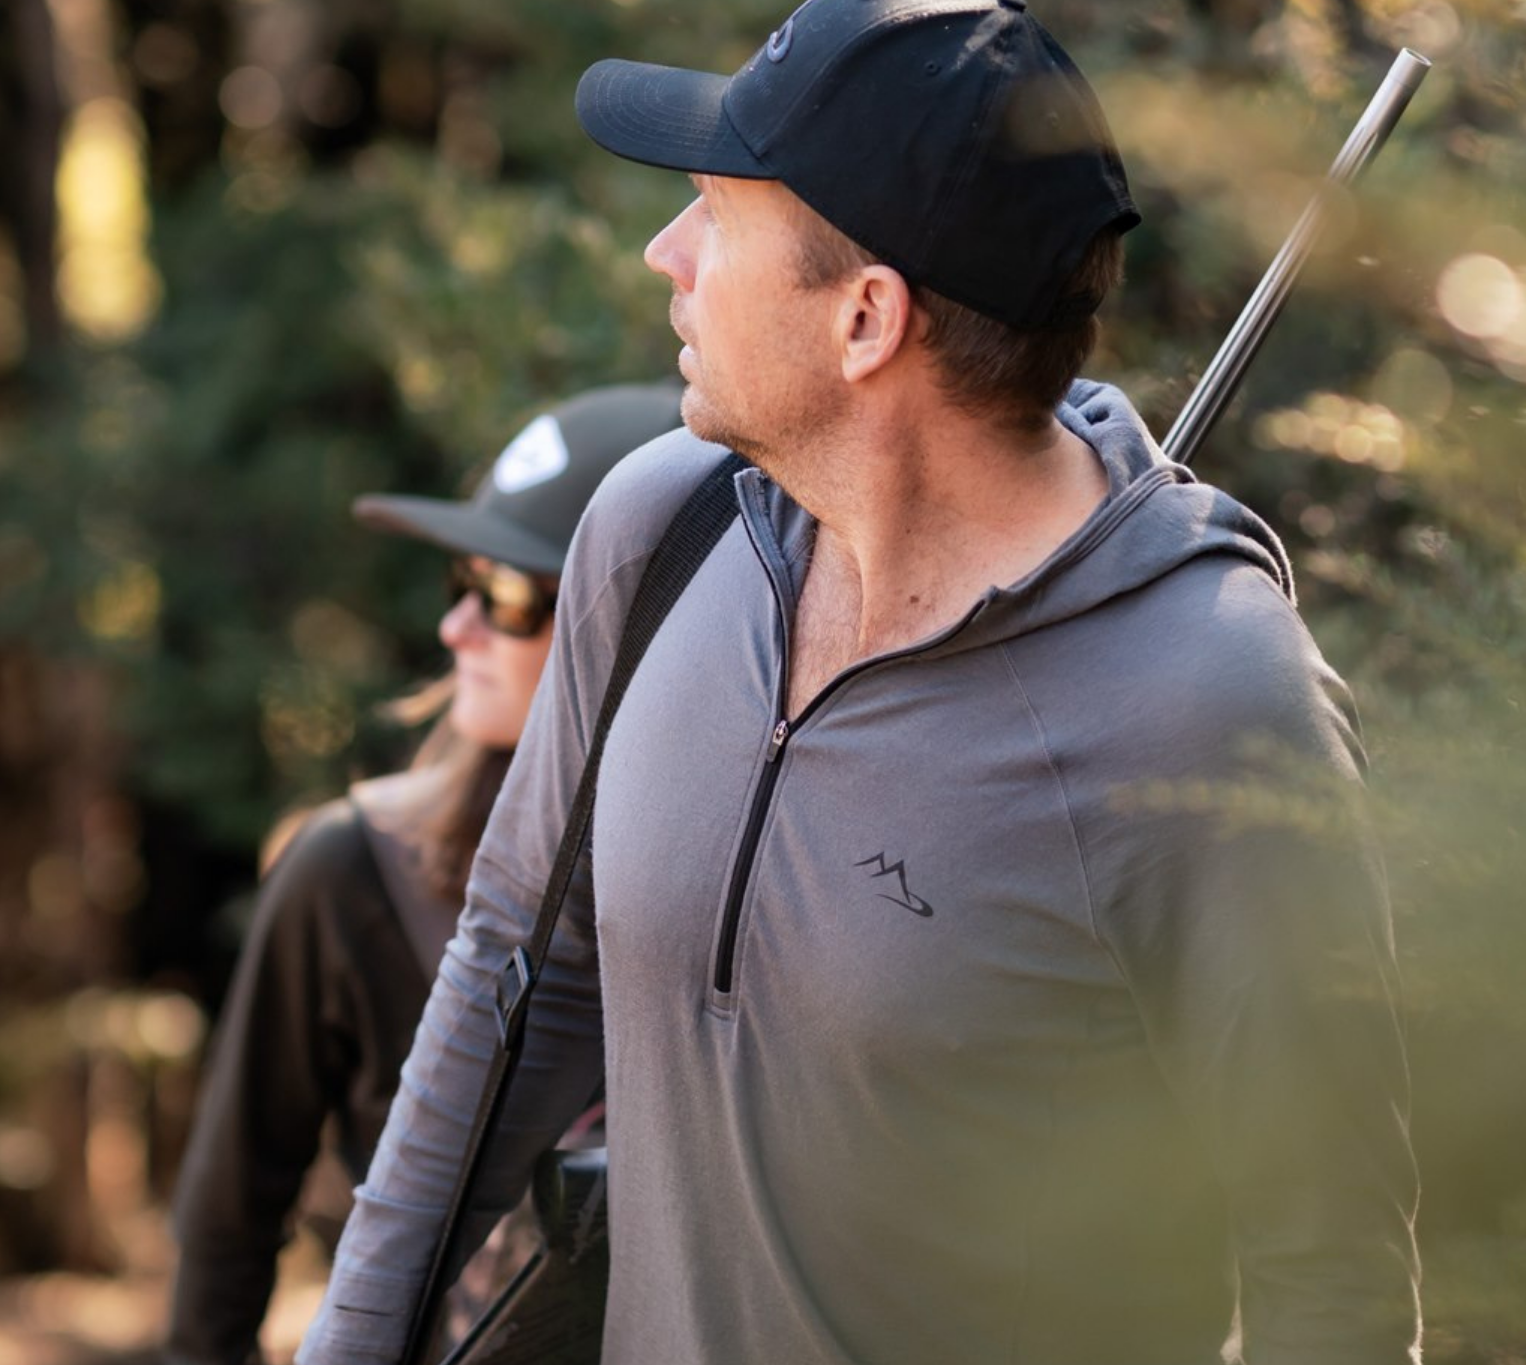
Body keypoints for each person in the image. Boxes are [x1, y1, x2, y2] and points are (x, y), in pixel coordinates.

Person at [301, 2, 1422, 1362]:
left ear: (866, 317)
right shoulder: (657, 532)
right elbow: (514, 982)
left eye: (715, 214)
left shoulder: (1211, 701)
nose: (666, 253)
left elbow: (1331, 1275)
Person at [163, 383, 685, 1365]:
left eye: (512, 596)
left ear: (634, 631)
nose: (457, 629)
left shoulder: (753, 884)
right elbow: (225, 1228)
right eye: (462, 578)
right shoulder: (351, 871)